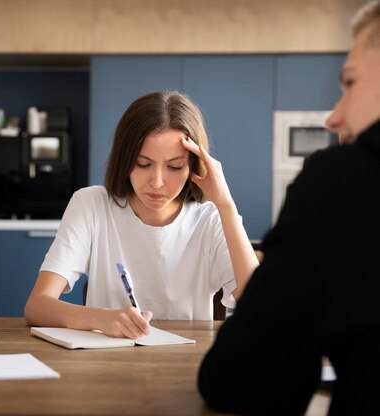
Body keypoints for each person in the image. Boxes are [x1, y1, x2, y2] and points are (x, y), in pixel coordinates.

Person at [198, 2, 380, 416]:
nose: (333, 117)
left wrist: (224, 204)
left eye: (350, 83)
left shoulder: (340, 182)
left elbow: (242, 378)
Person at [24, 91, 259, 340]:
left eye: (174, 166)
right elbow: (37, 306)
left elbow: (261, 305)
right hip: (106, 365)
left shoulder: (210, 220)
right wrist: (101, 318)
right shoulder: (91, 205)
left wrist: (226, 206)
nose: (157, 182)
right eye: (143, 163)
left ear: (193, 165)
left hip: (185, 367)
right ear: (124, 160)